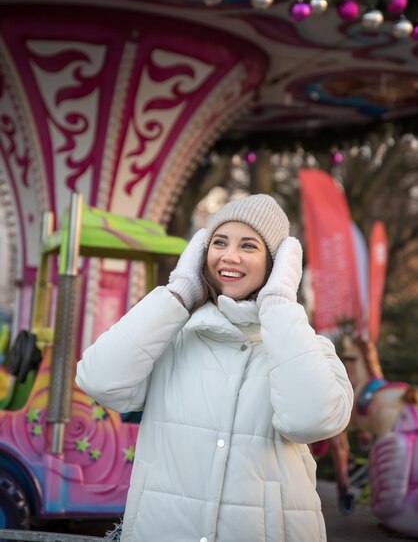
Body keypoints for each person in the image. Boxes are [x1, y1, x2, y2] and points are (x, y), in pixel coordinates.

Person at [76, 194, 354, 542]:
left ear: (276, 264)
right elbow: (98, 380)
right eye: (219, 242)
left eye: (248, 246)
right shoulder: (172, 338)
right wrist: (179, 292)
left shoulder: (310, 350)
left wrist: (280, 304)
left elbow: (310, 420)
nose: (229, 256)